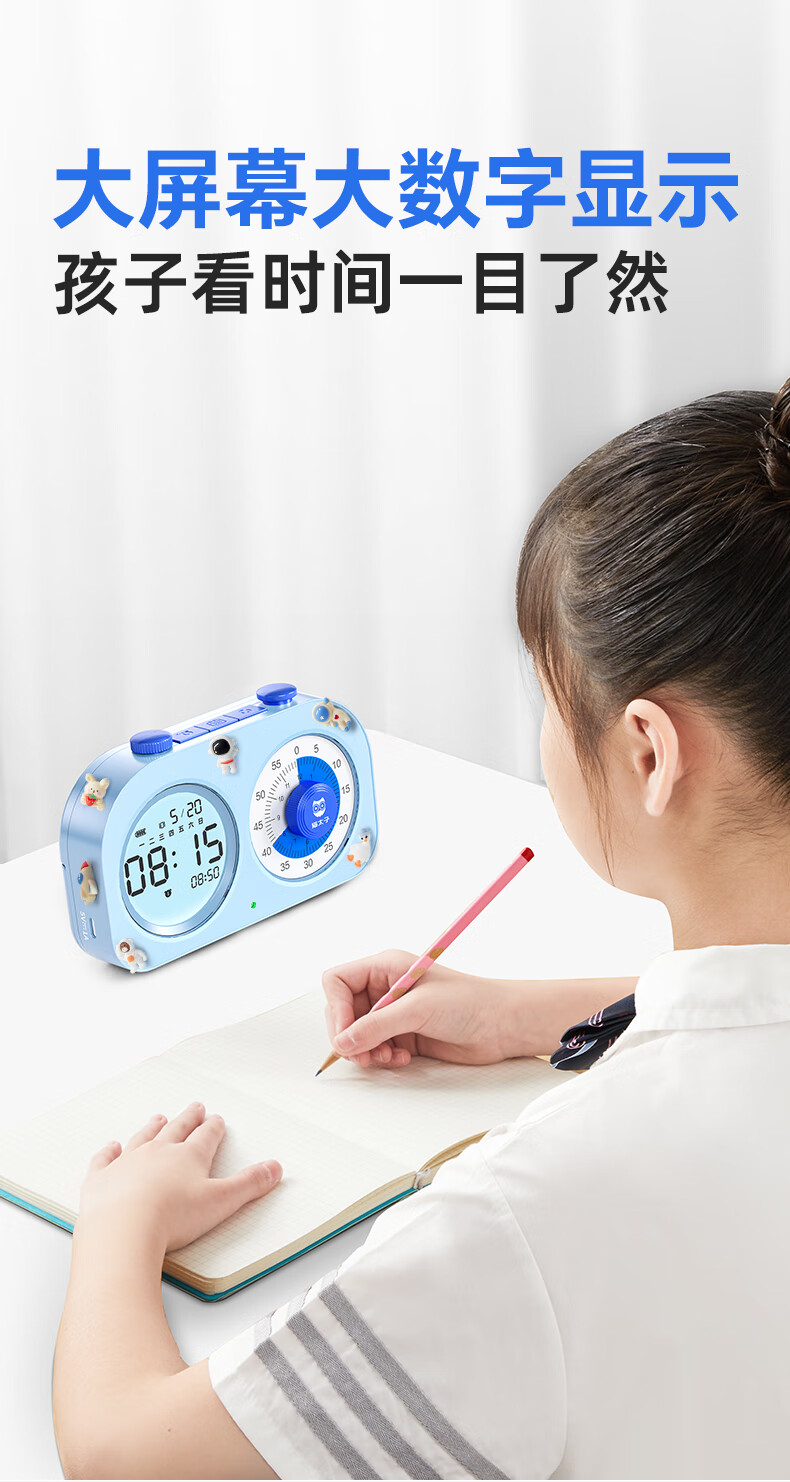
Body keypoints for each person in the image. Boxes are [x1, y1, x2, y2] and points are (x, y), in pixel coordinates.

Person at [53, 378, 790, 1480]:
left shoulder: (534, 1213)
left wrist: (118, 1228)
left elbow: (127, 1455)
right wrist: (541, 1015)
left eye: (551, 696)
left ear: (649, 751)